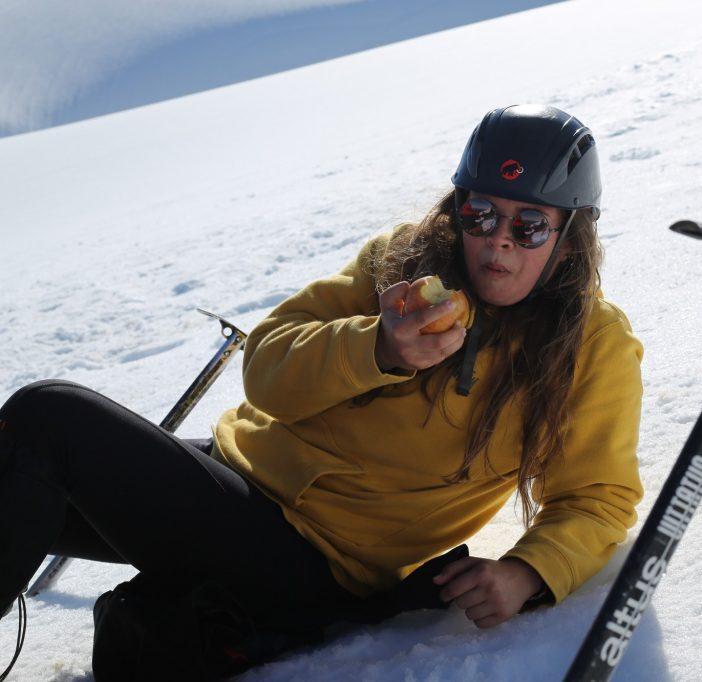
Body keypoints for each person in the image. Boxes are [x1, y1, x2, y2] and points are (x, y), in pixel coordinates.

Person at [0, 104, 644, 678]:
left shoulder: (590, 344)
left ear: (570, 238)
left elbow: (598, 498)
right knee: (17, 464)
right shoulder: (405, 264)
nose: (499, 239)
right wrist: (378, 348)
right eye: (481, 213)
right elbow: (268, 367)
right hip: (238, 480)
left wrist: (529, 573)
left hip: (315, 556)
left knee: (49, 420)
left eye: (530, 224)